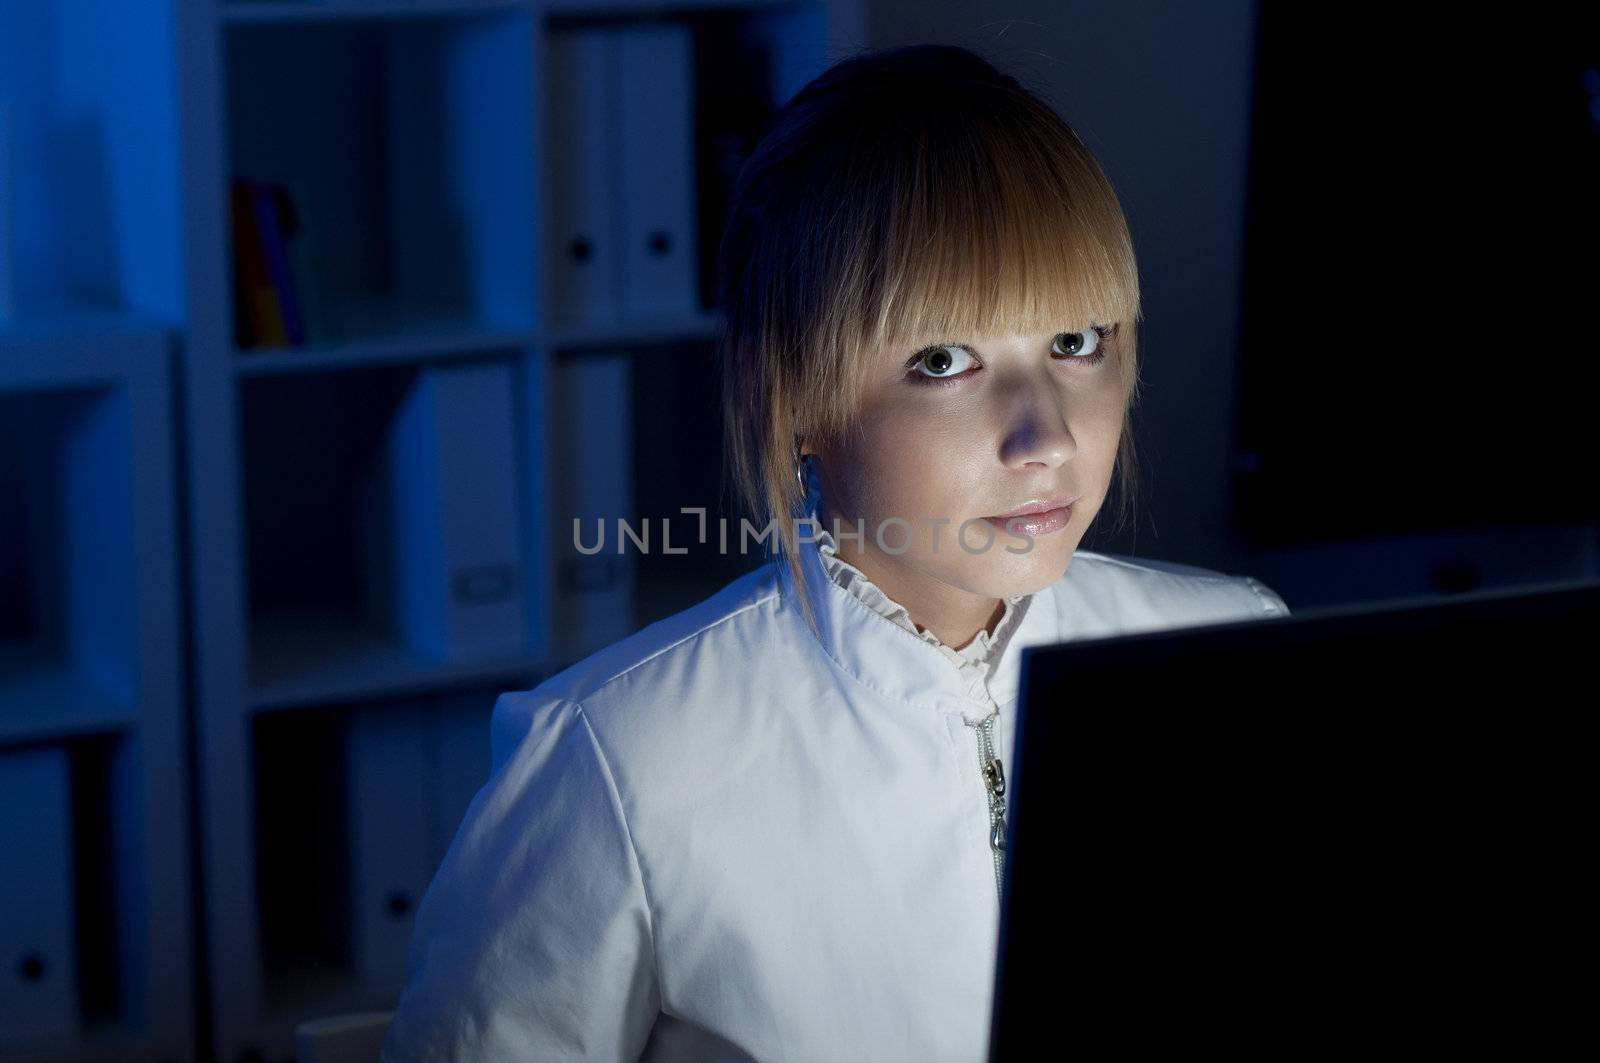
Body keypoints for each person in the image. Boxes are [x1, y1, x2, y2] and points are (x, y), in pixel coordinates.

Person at [381, 43, 1290, 1062]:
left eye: (1077, 344)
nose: (1048, 436)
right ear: (793, 398)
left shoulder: (1238, 648)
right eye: (944, 362)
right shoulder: (615, 760)